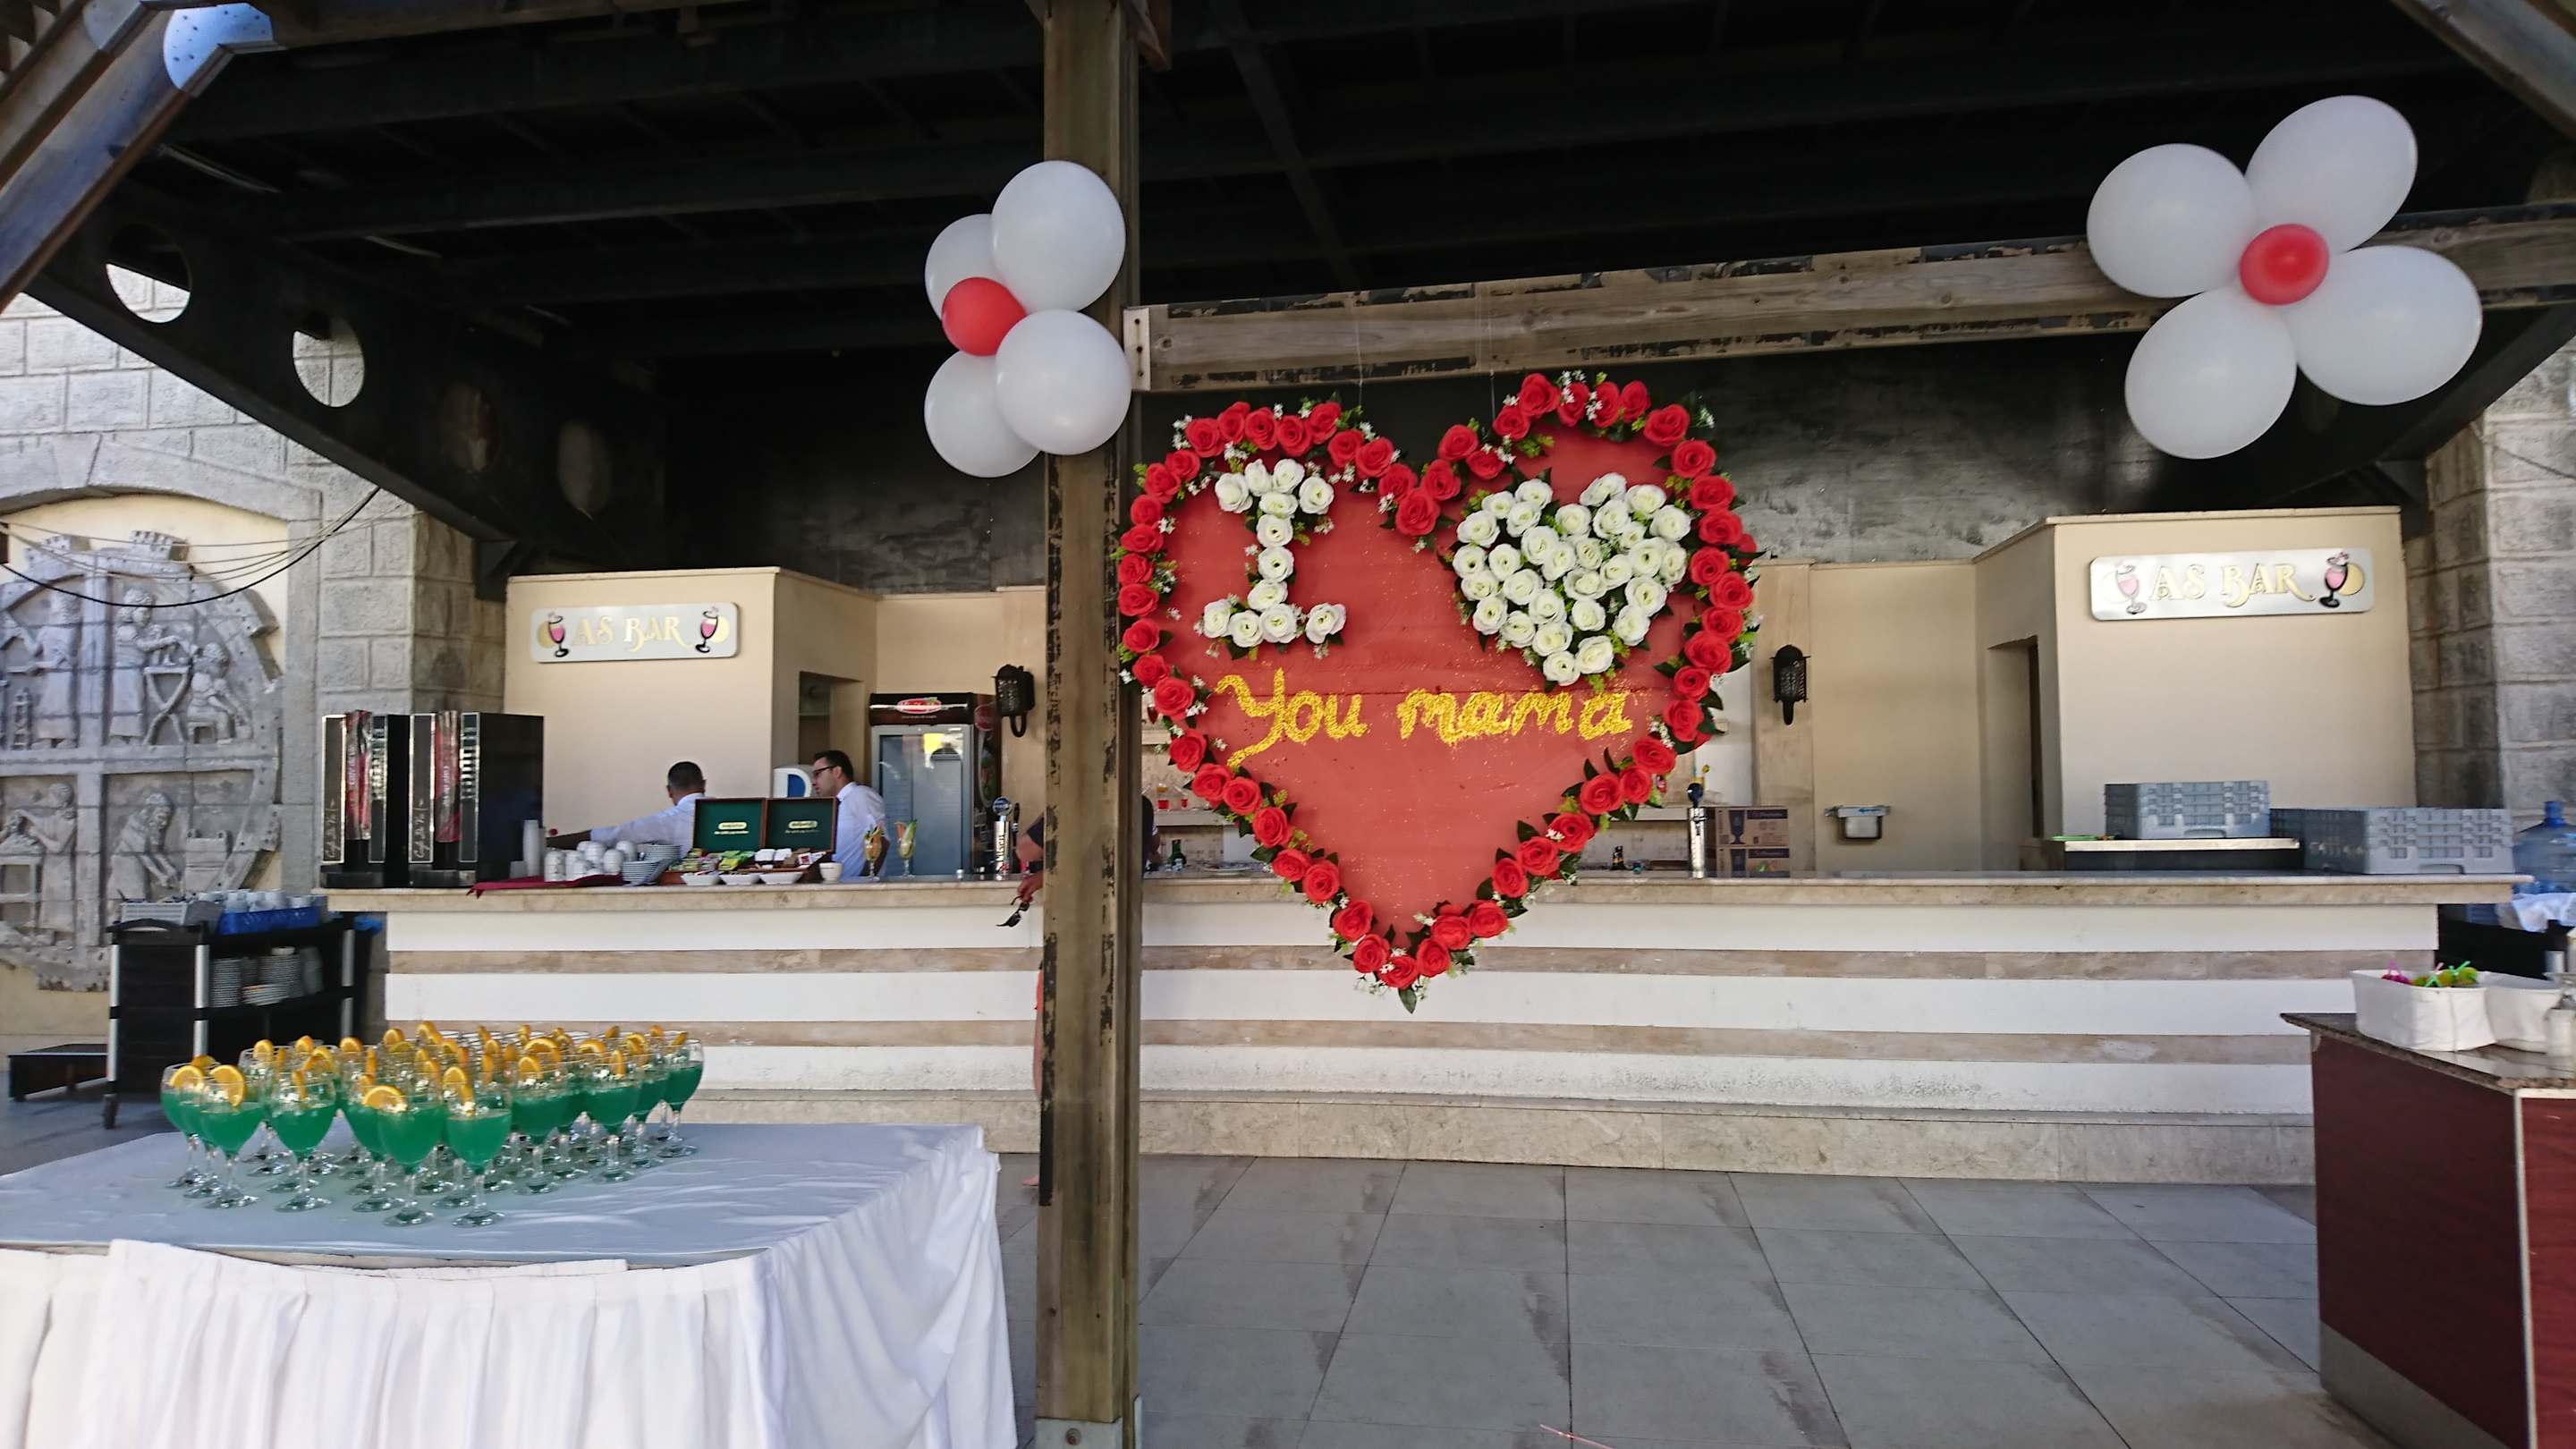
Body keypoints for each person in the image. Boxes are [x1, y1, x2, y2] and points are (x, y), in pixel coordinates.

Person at [551, 761, 707, 849]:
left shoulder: (667, 821)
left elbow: (613, 835)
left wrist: (548, 843)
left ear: (669, 791)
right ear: (704, 785)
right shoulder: (721, 811)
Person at [810, 749, 887, 875]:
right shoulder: (834, 805)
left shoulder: (860, 795)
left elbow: (880, 840)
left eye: (818, 774)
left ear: (837, 771)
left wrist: (865, 880)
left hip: (856, 884)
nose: (814, 782)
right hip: (836, 882)